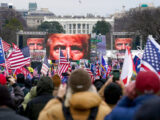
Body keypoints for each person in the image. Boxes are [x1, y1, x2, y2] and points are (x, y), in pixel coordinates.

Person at [38, 68, 111, 120]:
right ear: (90, 87)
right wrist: (97, 95)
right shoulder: (105, 112)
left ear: (69, 88)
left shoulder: (56, 112)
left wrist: (58, 98)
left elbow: (42, 116)